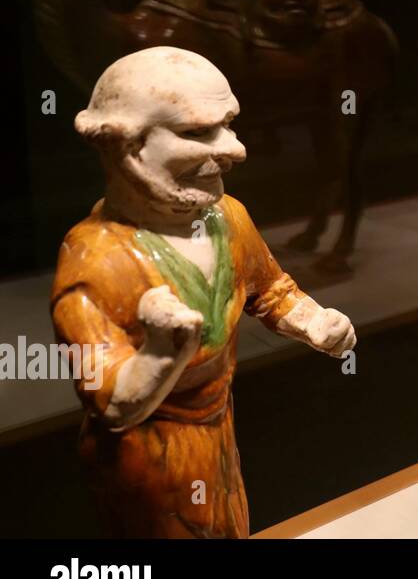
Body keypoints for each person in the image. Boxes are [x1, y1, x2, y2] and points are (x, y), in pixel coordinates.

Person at [51, 47, 356, 536]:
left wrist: (314, 321)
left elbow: (271, 289)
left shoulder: (227, 218)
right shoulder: (96, 257)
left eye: (229, 126)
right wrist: (158, 356)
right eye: (197, 133)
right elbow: (108, 402)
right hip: (146, 453)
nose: (234, 150)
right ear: (124, 145)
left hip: (219, 431)